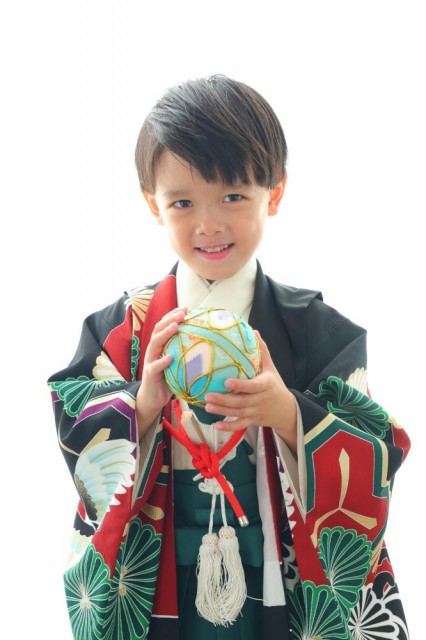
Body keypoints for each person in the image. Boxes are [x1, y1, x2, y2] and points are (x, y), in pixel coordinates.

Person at [48, 75, 410, 640]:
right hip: (160, 564)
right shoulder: (123, 330)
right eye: (183, 202)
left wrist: (288, 414)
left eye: (233, 196)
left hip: (275, 562)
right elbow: (75, 425)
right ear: (153, 204)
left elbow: (374, 450)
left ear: (275, 192)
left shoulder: (317, 330)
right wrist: (141, 407)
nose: (209, 224)